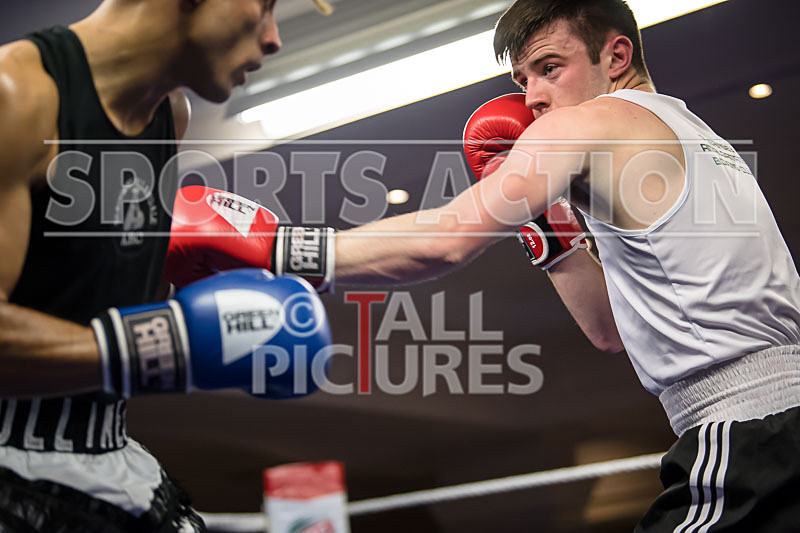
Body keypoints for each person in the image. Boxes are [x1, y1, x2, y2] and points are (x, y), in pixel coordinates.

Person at [181, 0, 800, 529]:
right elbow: (610, 330)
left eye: (550, 68)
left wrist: (281, 249)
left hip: (748, 434)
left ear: (615, 58)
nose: (531, 97)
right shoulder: (699, 136)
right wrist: (546, 228)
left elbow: (447, 238)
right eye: (523, 76)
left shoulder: (589, 123)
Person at [0, 0, 335, 531]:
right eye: (265, 5)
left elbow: (97, 299)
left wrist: (192, 283)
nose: (273, 37)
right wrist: (171, 340)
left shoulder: (167, 115)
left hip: (110, 455)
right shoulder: (16, 95)